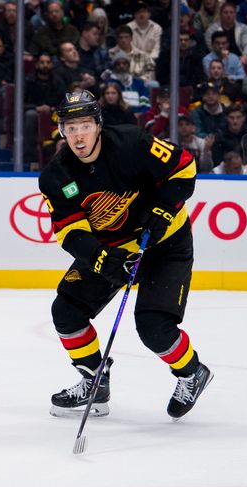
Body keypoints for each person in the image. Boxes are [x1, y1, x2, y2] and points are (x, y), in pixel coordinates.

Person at [38, 90, 212, 421]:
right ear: (61, 132)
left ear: (98, 125)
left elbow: (184, 168)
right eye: (70, 128)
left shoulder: (132, 143)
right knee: (67, 311)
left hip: (166, 245)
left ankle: (192, 373)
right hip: (114, 250)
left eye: (84, 126)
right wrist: (102, 259)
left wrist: (162, 212)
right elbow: (70, 232)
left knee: (153, 327)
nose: (78, 136)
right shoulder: (56, 177)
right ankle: (95, 382)